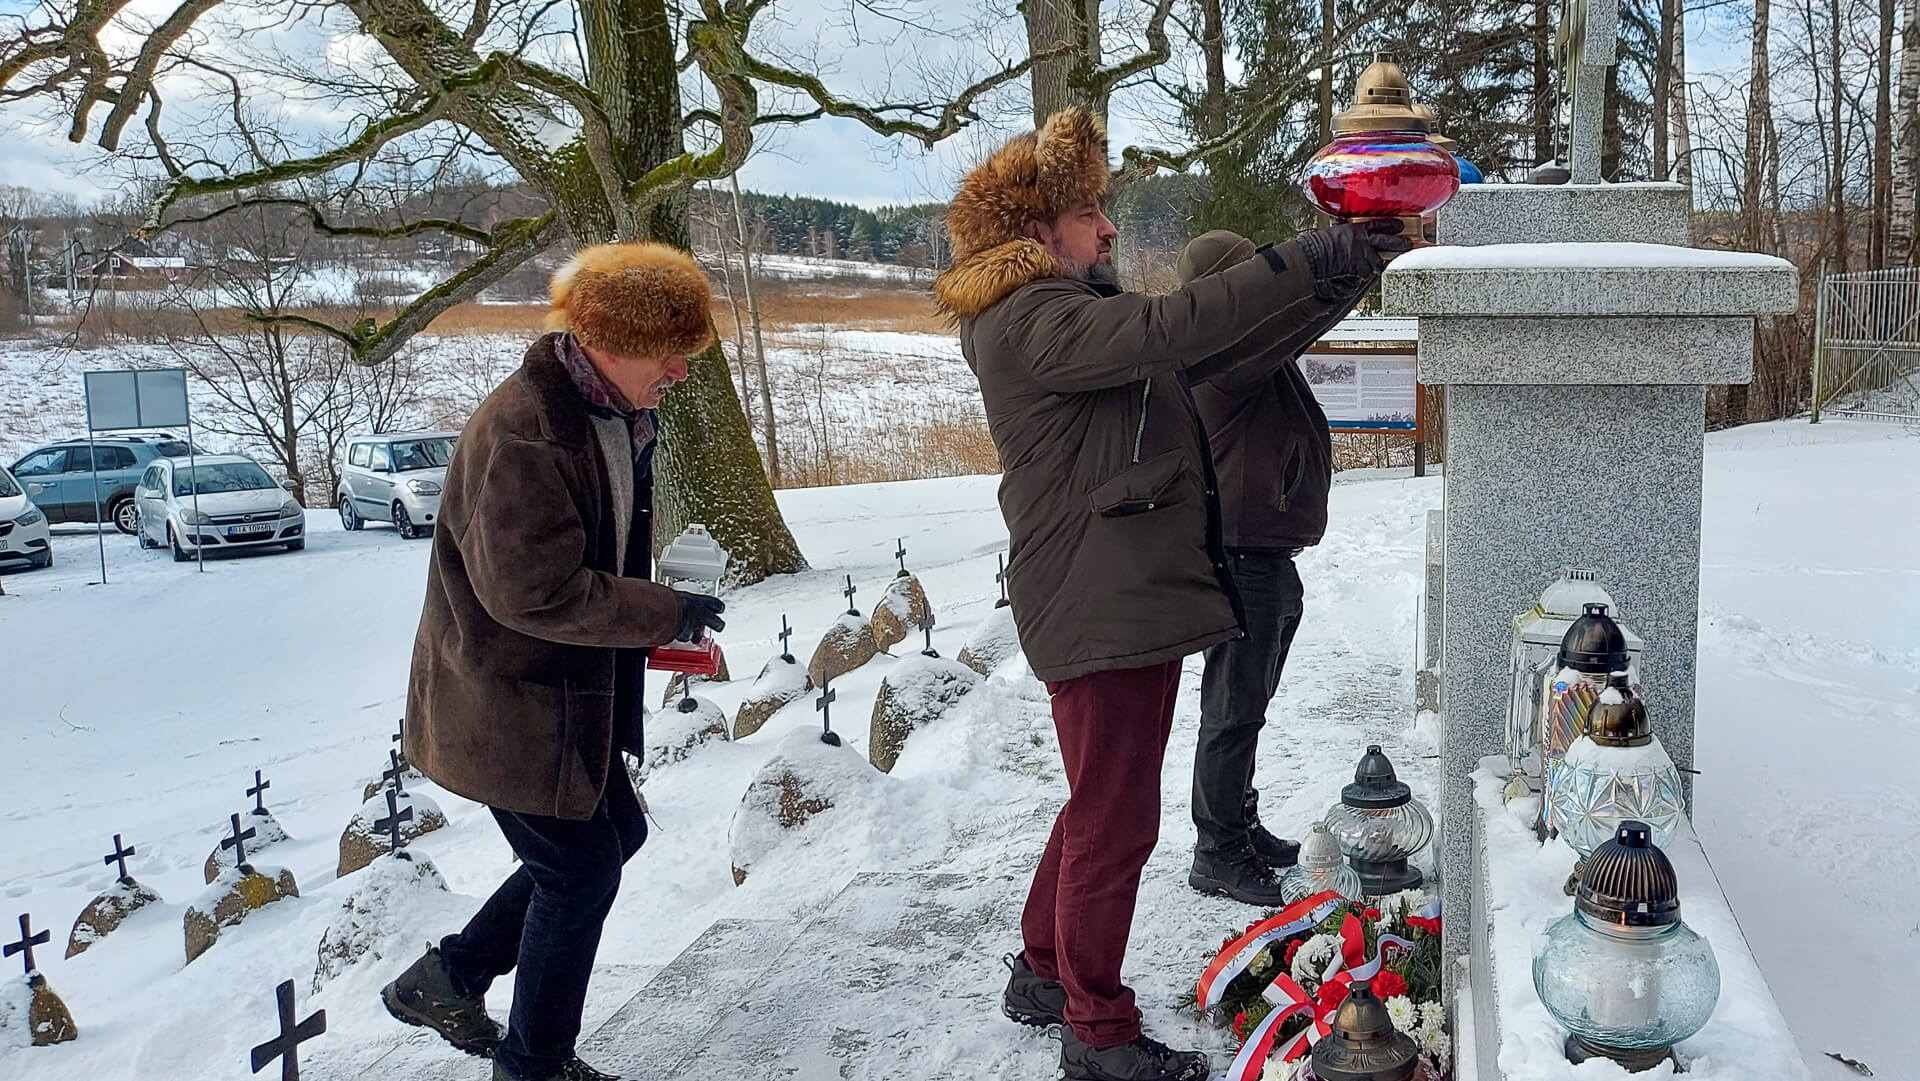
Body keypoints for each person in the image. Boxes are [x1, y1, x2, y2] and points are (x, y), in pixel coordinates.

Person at [934, 106, 1411, 1081]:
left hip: (1119, 595)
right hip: (1098, 601)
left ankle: (1044, 969)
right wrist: (1316, 249)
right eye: (1089, 213)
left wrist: (1342, 270)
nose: (1109, 228)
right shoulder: (1032, 318)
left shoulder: (1056, 313)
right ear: (1034, 231)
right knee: (1115, 823)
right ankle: (1096, 1032)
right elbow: (1174, 323)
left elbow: (1212, 347)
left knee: (1097, 805)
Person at [380, 242, 729, 1081]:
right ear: (610, 340)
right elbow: (536, 592)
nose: (681, 371)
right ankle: (532, 1064)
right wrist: (661, 610)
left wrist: (664, 616)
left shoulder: (613, 412)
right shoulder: (526, 433)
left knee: (613, 838)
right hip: (505, 703)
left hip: (564, 696)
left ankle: (449, 976)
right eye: (668, 351)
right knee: (578, 871)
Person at [1177, 229, 1372, 907]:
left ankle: (1238, 825)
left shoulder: (1247, 351)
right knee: (1232, 711)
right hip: (1242, 558)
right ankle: (1218, 850)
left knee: (1246, 709)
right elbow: (1300, 315)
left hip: (1263, 555)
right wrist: (1359, 259)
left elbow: (1297, 318)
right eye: (1250, 275)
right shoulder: (1225, 353)